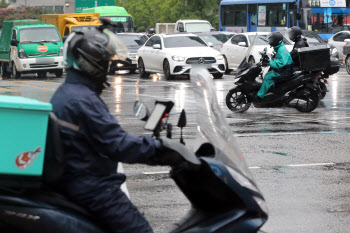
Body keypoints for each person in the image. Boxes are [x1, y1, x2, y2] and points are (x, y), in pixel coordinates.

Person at [50, 26, 181, 233]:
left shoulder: (70, 93)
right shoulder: (82, 100)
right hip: (94, 187)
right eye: (105, 62)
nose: (108, 67)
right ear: (91, 62)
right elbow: (117, 144)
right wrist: (161, 149)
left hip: (79, 179)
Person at [257, 31, 293, 99]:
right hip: (283, 70)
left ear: (277, 41)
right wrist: (270, 59)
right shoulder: (279, 48)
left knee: (268, 77)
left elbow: (280, 64)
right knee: (268, 74)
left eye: (272, 40)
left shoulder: (281, 50)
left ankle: (259, 97)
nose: (270, 41)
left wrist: (269, 62)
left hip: (285, 71)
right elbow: (278, 60)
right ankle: (270, 91)